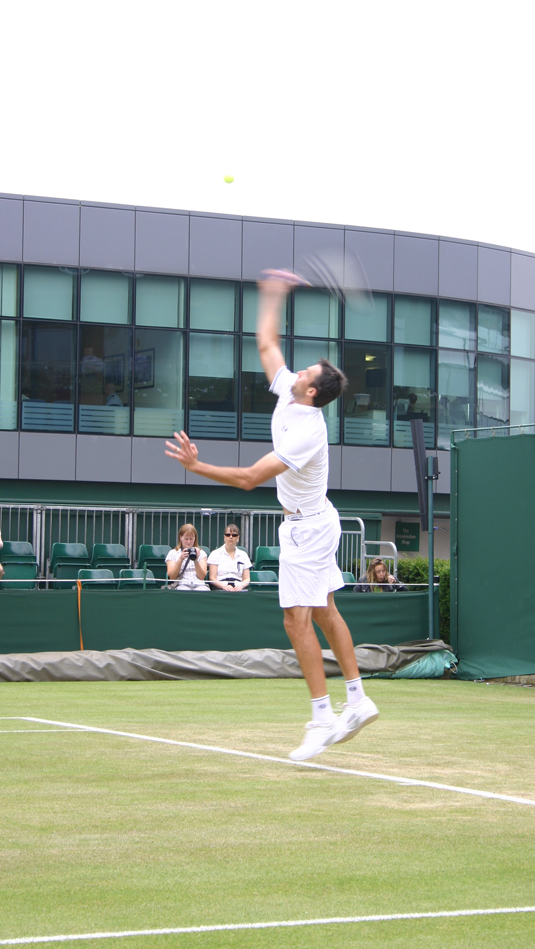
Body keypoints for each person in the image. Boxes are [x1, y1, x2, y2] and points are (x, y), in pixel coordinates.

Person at [166, 272, 378, 761]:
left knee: (295, 620)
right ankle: (358, 699)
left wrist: (197, 466)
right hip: (314, 521)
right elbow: (266, 343)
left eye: (306, 372)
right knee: (324, 611)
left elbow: (247, 479)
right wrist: (274, 293)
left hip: (307, 528)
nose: (298, 370)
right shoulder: (291, 393)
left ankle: (323, 717)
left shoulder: (306, 431)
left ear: (311, 393)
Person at [165, 524, 210, 591]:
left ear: (195, 539)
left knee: (204, 591)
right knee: (182, 591)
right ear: (180, 538)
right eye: (186, 539)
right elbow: (172, 577)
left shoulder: (202, 553)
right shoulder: (173, 553)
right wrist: (180, 559)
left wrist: (196, 561)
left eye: (191, 539)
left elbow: (202, 577)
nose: (188, 542)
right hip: (181, 584)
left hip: (199, 584)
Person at [207, 525, 251, 591]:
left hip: (238, 587)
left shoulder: (243, 555)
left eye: (234, 535)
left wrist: (241, 586)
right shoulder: (215, 553)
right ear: (224, 537)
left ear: (238, 538)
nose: (231, 537)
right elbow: (212, 578)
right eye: (228, 535)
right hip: (220, 587)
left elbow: (247, 578)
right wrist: (224, 586)